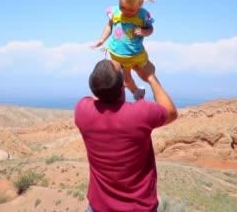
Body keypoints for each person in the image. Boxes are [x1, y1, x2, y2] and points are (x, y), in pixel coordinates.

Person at [74, 59, 178, 212]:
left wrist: (123, 82)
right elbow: (171, 112)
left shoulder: (82, 110)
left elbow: (101, 91)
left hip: (98, 207)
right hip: (138, 208)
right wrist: (150, 77)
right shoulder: (140, 114)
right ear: (122, 84)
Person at [91, 0, 158, 101]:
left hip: (136, 54)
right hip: (117, 55)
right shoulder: (114, 12)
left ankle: (156, 89)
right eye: (123, 7)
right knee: (126, 80)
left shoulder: (143, 15)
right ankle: (137, 93)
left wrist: (145, 32)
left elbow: (150, 28)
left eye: (131, 10)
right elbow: (109, 26)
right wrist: (101, 40)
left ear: (140, 3)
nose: (126, 12)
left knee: (147, 74)